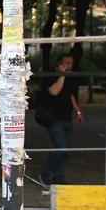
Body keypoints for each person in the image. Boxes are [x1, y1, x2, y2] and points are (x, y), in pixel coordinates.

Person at [39, 53, 83, 186]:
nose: (69, 66)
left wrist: (78, 111)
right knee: (61, 147)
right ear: (59, 64)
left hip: (67, 118)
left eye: (71, 63)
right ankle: (45, 173)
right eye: (66, 63)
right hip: (55, 119)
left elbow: (70, 95)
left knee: (65, 150)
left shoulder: (69, 78)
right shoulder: (51, 77)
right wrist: (62, 75)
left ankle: (59, 176)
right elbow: (54, 91)